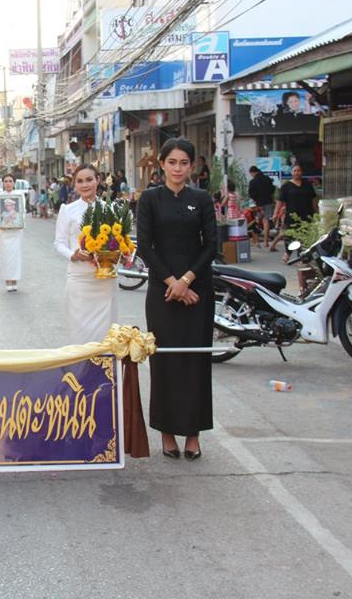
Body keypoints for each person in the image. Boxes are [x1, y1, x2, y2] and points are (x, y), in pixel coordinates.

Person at [135, 137, 216, 461]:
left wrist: (187, 280)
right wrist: (173, 282)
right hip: (163, 291)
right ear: (162, 165)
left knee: (196, 361)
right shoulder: (150, 199)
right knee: (165, 361)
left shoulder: (202, 199)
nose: (178, 168)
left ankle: (193, 435)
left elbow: (211, 245)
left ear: (192, 166)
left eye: (184, 163)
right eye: (172, 162)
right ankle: (167, 433)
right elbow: (145, 246)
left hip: (198, 290)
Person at [53, 163, 119, 344]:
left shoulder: (110, 208)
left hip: (105, 278)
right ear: (75, 184)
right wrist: (73, 255)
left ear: (98, 180)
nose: (85, 185)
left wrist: (118, 254)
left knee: (106, 334)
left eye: (89, 180)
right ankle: (82, 363)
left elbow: (118, 240)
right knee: (80, 332)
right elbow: (59, 243)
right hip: (79, 278)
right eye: (80, 181)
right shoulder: (68, 210)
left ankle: (104, 363)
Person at [275, 164, 318, 260]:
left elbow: (313, 199)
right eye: (294, 171)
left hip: (307, 214)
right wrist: (275, 213)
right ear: (291, 172)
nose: (297, 173)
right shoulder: (286, 186)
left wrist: (316, 212)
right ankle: (288, 253)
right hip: (292, 215)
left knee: (304, 235)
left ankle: (301, 256)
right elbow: (280, 201)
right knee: (290, 235)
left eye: (298, 171)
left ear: (301, 172)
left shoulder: (307, 185)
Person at [0, 173, 24, 292]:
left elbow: (23, 212)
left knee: (16, 256)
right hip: (4, 232)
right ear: (3, 183)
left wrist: (19, 223)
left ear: (14, 182)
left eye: (10, 181)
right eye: (6, 181)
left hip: (16, 232)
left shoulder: (20, 195)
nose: (8, 183)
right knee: (5, 256)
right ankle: (8, 281)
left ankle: (15, 281)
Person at [247, 165, 275, 247]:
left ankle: (257, 242)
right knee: (266, 221)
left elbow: (251, 194)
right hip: (268, 202)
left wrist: (257, 202)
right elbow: (272, 190)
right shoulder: (267, 179)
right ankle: (266, 241)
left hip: (258, 204)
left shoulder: (253, 182)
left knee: (257, 222)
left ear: (252, 172)